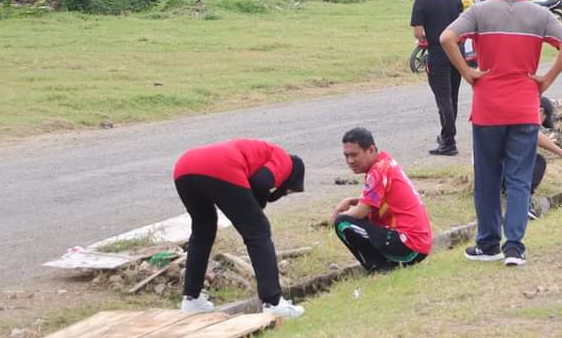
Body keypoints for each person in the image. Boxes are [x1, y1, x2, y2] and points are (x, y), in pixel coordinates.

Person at [440, 0, 562, 267]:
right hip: (525, 108)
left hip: (488, 108)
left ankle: (488, 244)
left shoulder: (478, 11)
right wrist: (546, 79)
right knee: (518, 179)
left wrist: (468, 72)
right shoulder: (540, 15)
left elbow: (447, 38)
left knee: (487, 178)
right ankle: (514, 247)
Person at [173, 138, 306, 318]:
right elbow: (261, 182)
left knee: (203, 231)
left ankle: (191, 300)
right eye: (290, 190)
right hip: (219, 166)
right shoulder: (286, 161)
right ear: (294, 176)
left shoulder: (263, 153)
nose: (284, 192)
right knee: (259, 230)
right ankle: (273, 302)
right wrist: (256, 208)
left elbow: (256, 182)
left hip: (184, 167)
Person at [331, 128, 432, 272]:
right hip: (419, 244)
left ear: (371, 150)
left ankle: (378, 268)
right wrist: (352, 200)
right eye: (346, 156)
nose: (350, 161)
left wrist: (338, 214)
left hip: (410, 246)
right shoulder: (385, 162)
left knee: (343, 223)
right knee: (360, 218)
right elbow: (373, 202)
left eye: (354, 155)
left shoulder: (378, 170)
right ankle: (384, 264)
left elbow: (360, 212)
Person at [411, 0, 467, 157]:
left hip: (438, 52)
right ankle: (446, 135)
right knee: (453, 96)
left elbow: (418, 33)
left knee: (442, 97)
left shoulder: (422, 1)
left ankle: (449, 141)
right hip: (457, 51)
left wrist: (426, 37)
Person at [523, 96, 562, 220]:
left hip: (487, 167)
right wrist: (561, 153)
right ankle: (521, 202)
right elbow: (537, 136)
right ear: (540, 111)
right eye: (543, 120)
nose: (540, 125)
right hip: (497, 165)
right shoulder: (524, 117)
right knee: (538, 161)